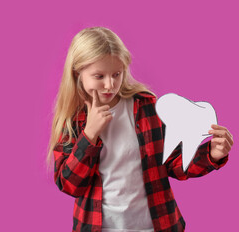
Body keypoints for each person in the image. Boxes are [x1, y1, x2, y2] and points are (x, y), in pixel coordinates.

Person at [46, 26, 233, 232]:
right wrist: (89, 135)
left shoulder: (147, 107)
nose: (110, 85)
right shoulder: (72, 120)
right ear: (77, 73)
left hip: (155, 226)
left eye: (116, 74)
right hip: (98, 227)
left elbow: (172, 162)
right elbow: (70, 185)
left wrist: (212, 154)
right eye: (99, 76)